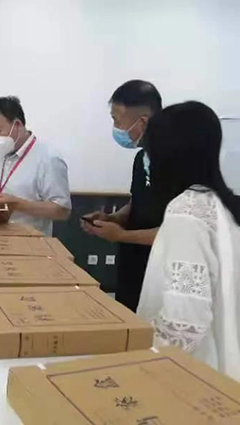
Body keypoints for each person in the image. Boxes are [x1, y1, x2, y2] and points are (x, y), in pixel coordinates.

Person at [137, 101, 240, 380]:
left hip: (192, 374)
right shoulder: (222, 204)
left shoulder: (186, 211)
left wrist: (140, 360)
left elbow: (184, 324)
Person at [81, 80, 163, 312]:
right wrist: (113, 218)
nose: (115, 127)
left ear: (142, 122)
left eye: (117, 120)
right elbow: (138, 202)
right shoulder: (141, 159)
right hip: (132, 265)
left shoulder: (175, 163)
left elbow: (176, 231)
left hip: (159, 268)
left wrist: (122, 235)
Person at [0, 96, 71, 235]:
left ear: (17, 125)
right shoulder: (1, 153)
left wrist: (17, 204)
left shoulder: (48, 158)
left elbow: (62, 211)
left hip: (31, 243)